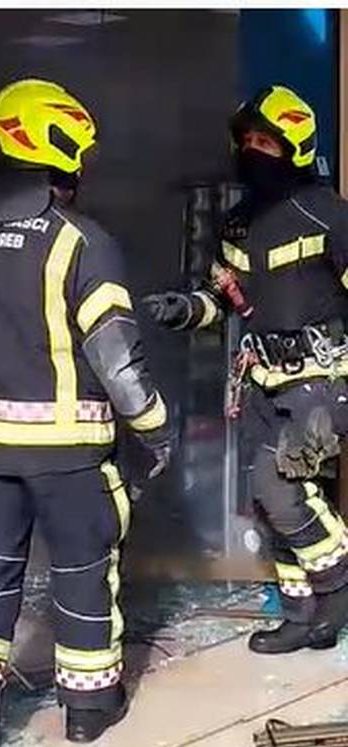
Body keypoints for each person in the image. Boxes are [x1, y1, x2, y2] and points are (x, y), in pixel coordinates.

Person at [0, 79, 174, 747]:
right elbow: (118, 358)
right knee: (83, 570)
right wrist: (155, 428)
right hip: (67, 455)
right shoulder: (82, 242)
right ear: (61, 152)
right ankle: (89, 710)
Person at [145, 85, 348, 656]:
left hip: (323, 380)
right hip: (260, 377)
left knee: (278, 485)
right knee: (269, 500)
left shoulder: (329, 215)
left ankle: (337, 585)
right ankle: (305, 615)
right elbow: (223, 297)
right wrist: (185, 309)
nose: (253, 152)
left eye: (267, 142)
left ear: (294, 150)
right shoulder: (236, 224)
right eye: (247, 141)